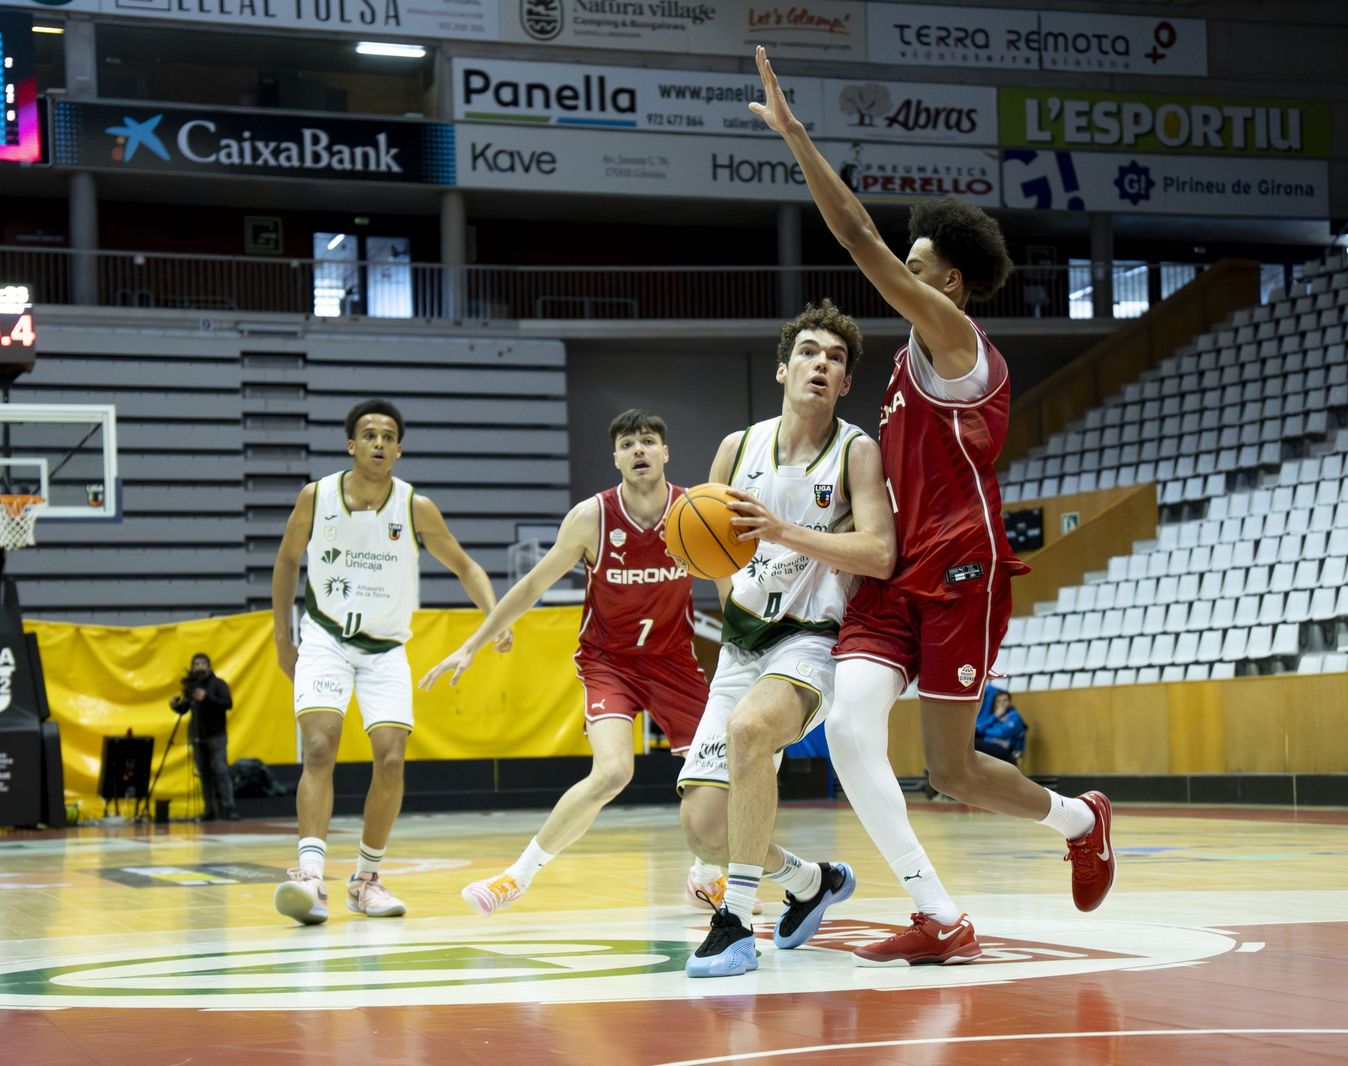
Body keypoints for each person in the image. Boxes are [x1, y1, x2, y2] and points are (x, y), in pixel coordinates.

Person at [748, 47, 1115, 966]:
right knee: (846, 727)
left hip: (961, 567)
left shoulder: (958, 343)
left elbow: (859, 241)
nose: (898, 276)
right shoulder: (914, 363)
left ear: (945, 283)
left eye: (916, 266)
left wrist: (796, 138)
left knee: (949, 771)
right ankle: (939, 917)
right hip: (897, 568)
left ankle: (1079, 818)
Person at [420, 409, 729, 918]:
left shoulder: (692, 512)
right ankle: (514, 879)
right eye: (628, 444)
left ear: (666, 452)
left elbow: (727, 582)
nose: (639, 451)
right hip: (610, 662)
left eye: (649, 441)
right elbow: (533, 585)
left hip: (674, 662)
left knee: (714, 777)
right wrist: (473, 643)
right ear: (615, 458)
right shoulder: (592, 517)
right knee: (612, 772)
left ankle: (704, 877)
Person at [678, 300, 897, 978]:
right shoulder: (735, 448)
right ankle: (810, 881)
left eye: (835, 358)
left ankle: (738, 923)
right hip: (743, 643)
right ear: (783, 369)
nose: (821, 364)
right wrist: (733, 606)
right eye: (808, 352)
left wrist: (782, 533)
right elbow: (708, 550)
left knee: (750, 730)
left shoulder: (856, 450)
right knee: (707, 830)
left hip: (811, 640)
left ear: (846, 382)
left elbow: (881, 552)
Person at [270, 399, 511, 926]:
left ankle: (365, 880)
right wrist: (281, 640)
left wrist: (496, 618)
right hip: (325, 639)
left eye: (388, 436)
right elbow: (287, 561)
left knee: (392, 758)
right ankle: (311, 877)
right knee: (319, 746)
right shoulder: (317, 497)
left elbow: (466, 566)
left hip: (385, 649)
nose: (378, 442)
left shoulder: (415, 507)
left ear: (399, 449)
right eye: (368, 434)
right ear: (351, 444)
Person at [170, 652, 237, 821]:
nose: (199, 667)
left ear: (208, 665)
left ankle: (229, 808)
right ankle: (209, 809)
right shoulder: (191, 688)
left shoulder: (218, 684)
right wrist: (176, 706)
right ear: (192, 667)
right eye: (196, 664)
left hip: (216, 735)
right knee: (204, 773)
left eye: (202, 663)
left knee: (220, 770)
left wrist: (207, 698)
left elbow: (227, 703)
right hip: (197, 735)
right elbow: (186, 709)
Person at [974, 687, 1027, 766]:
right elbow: (978, 729)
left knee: (974, 743)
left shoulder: (1015, 717)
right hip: (990, 746)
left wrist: (986, 730)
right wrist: (995, 716)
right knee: (971, 740)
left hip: (1004, 750)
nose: (1001, 703)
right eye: (998, 701)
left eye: (1005, 700)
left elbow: (1001, 733)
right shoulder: (995, 716)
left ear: (1010, 702)